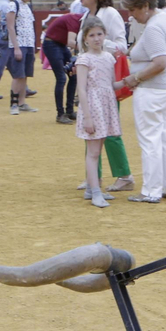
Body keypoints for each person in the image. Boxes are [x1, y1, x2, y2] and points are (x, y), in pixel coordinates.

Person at [120, 0, 166, 204]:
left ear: (145, 6)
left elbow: (160, 62)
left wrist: (134, 78)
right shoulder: (165, 19)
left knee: (150, 141)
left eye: (133, 9)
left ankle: (151, 191)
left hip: (153, 92)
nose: (132, 14)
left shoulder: (154, 26)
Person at [77, 0, 135, 194]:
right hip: (90, 78)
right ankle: (94, 177)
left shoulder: (109, 14)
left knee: (110, 130)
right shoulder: (87, 16)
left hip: (104, 80)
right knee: (89, 129)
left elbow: (122, 45)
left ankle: (124, 174)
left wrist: (98, 44)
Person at [74, 19, 119, 208]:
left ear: (105, 35)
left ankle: (91, 189)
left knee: (98, 149)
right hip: (92, 107)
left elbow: (112, 85)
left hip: (105, 106)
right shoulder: (84, 59)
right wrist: (87, 116)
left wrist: (130, 82)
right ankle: (95, 192)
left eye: (99, 34)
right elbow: (82, 89)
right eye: (91, 35)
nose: (96, 38)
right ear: (85, 39)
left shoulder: (109, 58)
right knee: (93, 152)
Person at [42, 7, 82, 124]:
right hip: (52, 44)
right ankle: (60, 114)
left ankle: (69, 111)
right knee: (61, 78)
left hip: (59, 44)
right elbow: (71, 42)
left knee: (73, 76)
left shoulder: (76, 19)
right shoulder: (74, 19)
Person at [6, 0, 38, 115]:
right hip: (19, 44)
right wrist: (16, 47)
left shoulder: (27, 6)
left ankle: (22, 102)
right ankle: (13, 104)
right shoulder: (13, 5)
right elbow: (10, 27)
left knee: (25, 75)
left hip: (28, 44)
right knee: (18, 75)